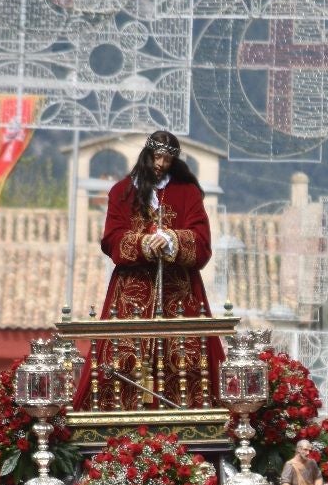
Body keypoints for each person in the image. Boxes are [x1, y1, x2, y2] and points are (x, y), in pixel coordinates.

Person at [72, 130, 221, 411]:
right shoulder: (121, 192)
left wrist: (173, 240)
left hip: (180, 294)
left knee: (186, 360)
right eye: (156, 156)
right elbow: (111, 239)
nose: (160, 164)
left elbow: (202, 242)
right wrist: (143, 243)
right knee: (121, 359)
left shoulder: (187, 192)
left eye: (167, 159)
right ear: (146, 155)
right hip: (131, 293)